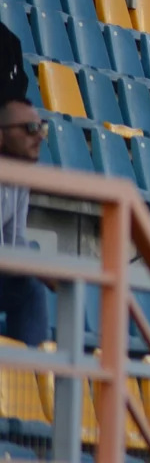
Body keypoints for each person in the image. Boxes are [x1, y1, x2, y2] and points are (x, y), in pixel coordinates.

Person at [0, 22, 49, 347]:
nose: (39, 137)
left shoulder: (20, 174)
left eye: (42, 128)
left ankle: (25, 385)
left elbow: (13, 238)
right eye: (30, 129)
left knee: (30, 291)